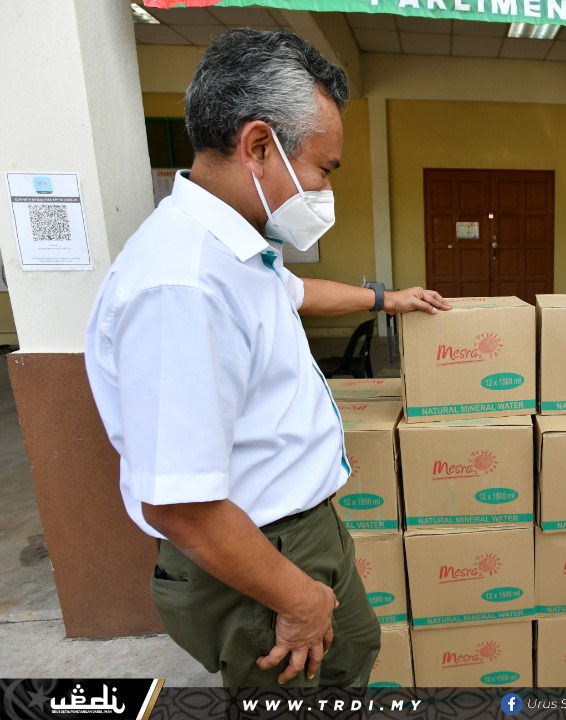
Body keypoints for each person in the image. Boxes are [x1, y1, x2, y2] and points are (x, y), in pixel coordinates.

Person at [84, 29, 451, 687]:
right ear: (259, 146)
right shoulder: (183, 283)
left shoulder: (235, 252)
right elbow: (179, 503)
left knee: (351, 659)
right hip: (258, 557)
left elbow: (298, 291)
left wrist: (386, 298)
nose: (323, 188)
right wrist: (298, 597)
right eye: (324, 168)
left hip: (297, 535)